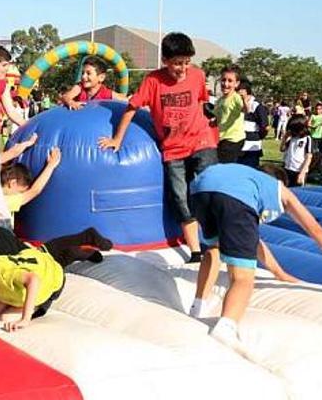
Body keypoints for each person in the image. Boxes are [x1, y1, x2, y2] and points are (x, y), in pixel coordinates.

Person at [188, 163, 322, 354]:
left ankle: (197, 305)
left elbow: (250, 240)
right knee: (242, 278)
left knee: (214, 249)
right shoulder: (279, 190)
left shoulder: (246, 179)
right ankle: (226, 327)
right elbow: (316, 230)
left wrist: (279, 272)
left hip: (199, 190)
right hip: (231, 199)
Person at [99, 32, 217, 264]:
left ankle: (217, 242)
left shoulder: (197, 75)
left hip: (201, 141)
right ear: (165, 61)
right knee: (180, 198)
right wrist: (117, 139)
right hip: (173, 149)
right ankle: (195, 251)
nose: (182, 68)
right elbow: (131, 108)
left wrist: (204, 125)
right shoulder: (153, 81)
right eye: (176, 64)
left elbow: (201, 101)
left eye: (186, 62)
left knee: (210, 189)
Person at [0, 232, 111, 332]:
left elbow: (33, 279)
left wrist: (26, 318)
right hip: (29, 264)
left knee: (4, 321)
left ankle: (80, 253)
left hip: (49, 280)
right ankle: (73, 253)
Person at [0, 149, 62, 225]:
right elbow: (34, 191)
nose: (20, 194)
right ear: (13, 183)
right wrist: (51, 165)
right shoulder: (5, 201)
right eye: (21, 192)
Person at [60, 56, 127, 109]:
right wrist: (71, 102)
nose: (83, 76)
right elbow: (66, 96)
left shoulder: (106, 93)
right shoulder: (79, 88)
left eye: (88, 73)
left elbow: (123, 99)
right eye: (83, 73)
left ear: (101, 77)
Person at [214, 66, 246, 163]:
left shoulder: (236, 97)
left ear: (237, 84)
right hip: (221, 138)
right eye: (223, 80)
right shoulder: (220, 100)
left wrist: (244, 100)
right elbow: (218, 119)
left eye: (230, 81)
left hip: (233, 139)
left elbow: (245, 110)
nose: (225, 84)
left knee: (223, 169)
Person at [237, 79, 269, 168]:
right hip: (237, 146)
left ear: (245, 91)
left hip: (251, 147)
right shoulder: (237, 104)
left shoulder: (257, 106)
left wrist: (257, 136)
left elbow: (265, 126)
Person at [280, 114, 313, 187]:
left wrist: (302, 173)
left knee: (298, 192)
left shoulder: (307, 139)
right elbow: (282, 149)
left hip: (298, 170)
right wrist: (285, 138)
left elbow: (309, 157)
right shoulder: (292, 138)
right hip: (288, 168)